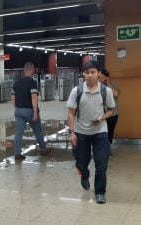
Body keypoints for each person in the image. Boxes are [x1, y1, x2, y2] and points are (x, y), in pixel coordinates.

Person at [66, 61, 115, 204]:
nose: (90, 75)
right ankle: (84, 174)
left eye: (93, 72)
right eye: (87, 72)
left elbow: (111, 110)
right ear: (84, 74)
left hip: (100, 131)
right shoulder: (77, 91)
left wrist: (102, 117)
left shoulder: (106, 91)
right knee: (81, 162)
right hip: (81, 132)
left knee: (101, 163)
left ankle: (100, 192)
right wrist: (71, 132)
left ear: (99, 73)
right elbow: (70, 112)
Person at [11, 62, 51, 160]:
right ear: (32, 70)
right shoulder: (32, 82)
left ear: (24, 70)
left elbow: (12, 97)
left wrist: (17, 108)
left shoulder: (16, 83)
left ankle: (17, 153)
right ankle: (43, 149)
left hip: (18, 111)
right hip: (29, 111)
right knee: (37, 130)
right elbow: (34, 97)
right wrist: (35, 112)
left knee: (18, 133)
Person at [99, 69, 120, 144]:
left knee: (110, 131)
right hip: (101, 114)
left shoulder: (113, 85)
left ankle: (107, 148)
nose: (102, 79)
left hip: (113, 113)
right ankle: (101, 147)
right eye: (100, 77)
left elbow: (116, 94)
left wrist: (108, 83)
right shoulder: (97, 86)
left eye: (104, 77)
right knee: (101, 132)